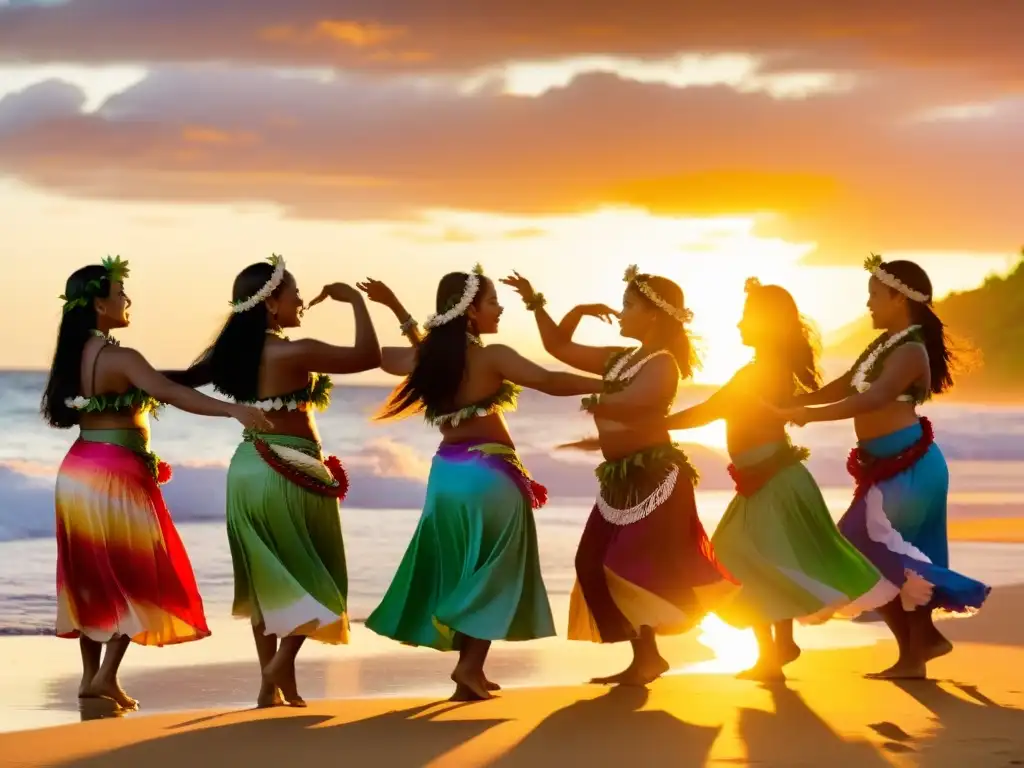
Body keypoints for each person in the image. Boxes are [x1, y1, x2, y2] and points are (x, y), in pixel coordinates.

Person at [620, 278, 901, 681]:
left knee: (749, 560)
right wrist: (654, 426)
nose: (737, 325)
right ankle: (774, 651)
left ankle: (776, 651)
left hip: (774, 478)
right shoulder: (759, 368)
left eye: (746, 318)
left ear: (766, 324)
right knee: (757, 562)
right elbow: (715, 409)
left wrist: (652, 426)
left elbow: (712, 409)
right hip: (762, 479)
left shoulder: (766, 371)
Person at [362, 265, 604, 701]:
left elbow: (392, 355)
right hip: (489, 476)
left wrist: (397, 308)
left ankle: (473, 666)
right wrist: (609, 384)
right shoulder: (492, 357)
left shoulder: (429, 360)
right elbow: (548, 381)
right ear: (470, 310)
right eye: (493, 301)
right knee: (496, 570)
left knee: (465, 566)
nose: (499, 308)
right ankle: (469, 668)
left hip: (445, 478)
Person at [41, 256, 273, 711]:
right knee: (132, 570)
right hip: (117, 471)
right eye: (120, 293)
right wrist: (231, 409)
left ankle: (93, 677)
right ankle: (106, 674)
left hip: (77, 469)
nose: (127, 301)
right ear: (100, 305)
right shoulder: (120, 357)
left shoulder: (70, 358)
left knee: (89, 574)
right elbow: (171, 392)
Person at [502, 265, 736, 687]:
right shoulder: (620, 359)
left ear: (653, 314)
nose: (621, 313)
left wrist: (583, 393)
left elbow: (632, 403)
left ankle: (652, 654)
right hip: (619, 480)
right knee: (590, 562)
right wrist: (553, 306)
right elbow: (558, 345)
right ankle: (645, 657)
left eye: (629, 305)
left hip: (656, 479)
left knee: (627, 565)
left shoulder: (664, 364)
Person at [169, 254, 382, 707]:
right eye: (295, 293)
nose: (302, 300)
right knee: (317, 574)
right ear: (270, 305)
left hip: (246, 468)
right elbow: (369, 357)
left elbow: (182, 381)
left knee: (267, 580)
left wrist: (117, 380)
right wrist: (356, 302)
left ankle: (272, 685)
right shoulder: (294, 350)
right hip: (291, 468)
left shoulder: (229, 355)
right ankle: (279, 666)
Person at [778, 255, 991, 679]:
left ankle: (926, 639)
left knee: (862, 545)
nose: (869, 303)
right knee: (889, 556)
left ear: (898, 297)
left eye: (875, 295)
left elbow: (874, 399)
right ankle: (918, 649)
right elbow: (847, 385)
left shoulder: (911, 351)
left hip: (910, 466)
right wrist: (797, 402)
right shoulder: (883, 345)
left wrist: (809, 417)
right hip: (888, 466)